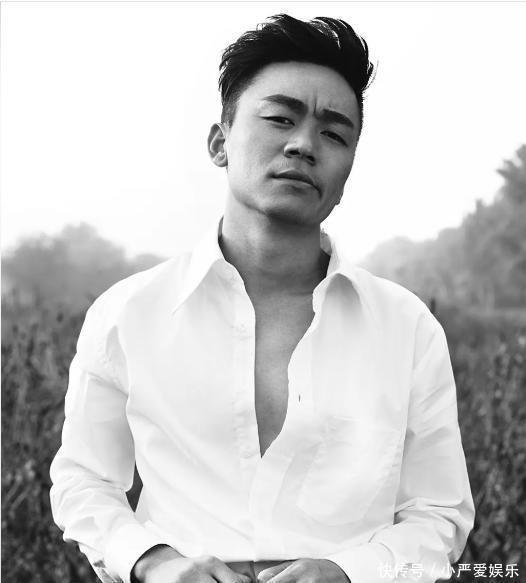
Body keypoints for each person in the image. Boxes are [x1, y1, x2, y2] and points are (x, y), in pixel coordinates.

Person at [50, 14, 475, 583]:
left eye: (334, 134)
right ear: (219, 143)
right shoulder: (127, 314)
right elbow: (83, 481)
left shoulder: (407, 328)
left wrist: (347, 572)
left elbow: (438, 513)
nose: (304, 145)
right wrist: (155, 562)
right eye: (280, 119)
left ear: (349, 169)